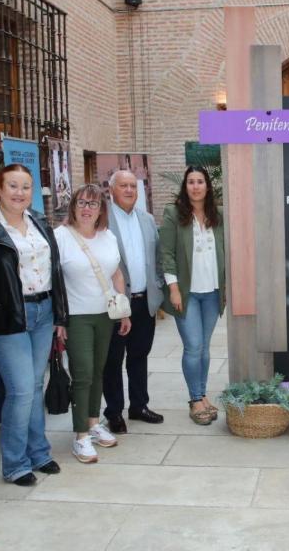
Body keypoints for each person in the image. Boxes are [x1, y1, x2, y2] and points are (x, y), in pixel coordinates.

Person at [0, 164, 68, 485]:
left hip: (44, 312)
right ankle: (15, 464)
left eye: (26, 187)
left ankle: (39, 453)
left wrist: (60, 316)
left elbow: (55, 271)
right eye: (12, 186)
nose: (19, 193)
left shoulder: (39, 221)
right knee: (21, 390)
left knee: (36, 386)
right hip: (7, 318)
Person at [54, 184, 132, 463]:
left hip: (104, 315)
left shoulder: (108, 236)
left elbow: (116, 273)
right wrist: (58, 319)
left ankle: (93, 422)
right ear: (73, 206)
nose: (87, 209)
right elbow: (53, 280)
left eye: (93, 204)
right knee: (83, 373)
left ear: (101, 210)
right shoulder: (61, 237)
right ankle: (81, 436)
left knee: (98, 370)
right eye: (82, 203)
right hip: (76, 316)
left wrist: (124, 310)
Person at [159, 165, 226, 425]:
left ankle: (202, 394)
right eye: (191, 182)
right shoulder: (173, 213)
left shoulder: (218, 214)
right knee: (193, 346)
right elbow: (166, 253)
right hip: (186, 294)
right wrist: (173, 288)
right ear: (185, 186)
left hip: (212, 292)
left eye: (200, 181)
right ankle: (195, 399)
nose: (195, 186)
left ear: (207, 186)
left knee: (205, 348)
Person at [102, 169, 165, 433]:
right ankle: (114, 412)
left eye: (132, 186)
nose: (129, 190)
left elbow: (157, 257)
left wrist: (158, 286)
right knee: (113, 359)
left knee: (139, 355)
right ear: (111, 190)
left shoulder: (147, 219)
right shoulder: (102, 219)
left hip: (144, 300)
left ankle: (139, 406)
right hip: (117, 303)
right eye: (123, 186)